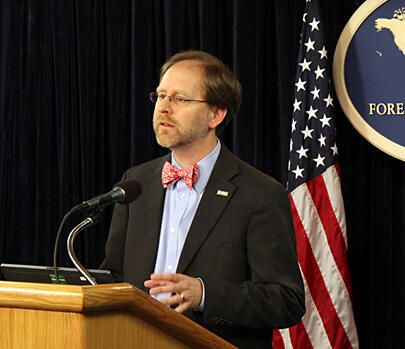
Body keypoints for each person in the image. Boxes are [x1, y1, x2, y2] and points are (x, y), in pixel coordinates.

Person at [101, 50, 305, 348]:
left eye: (180, 99)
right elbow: (113, 277)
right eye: (161, 96)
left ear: (216, 114)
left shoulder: (259, 193)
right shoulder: (136, 182)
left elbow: (286, 300)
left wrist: (204, 294)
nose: (164, 109)